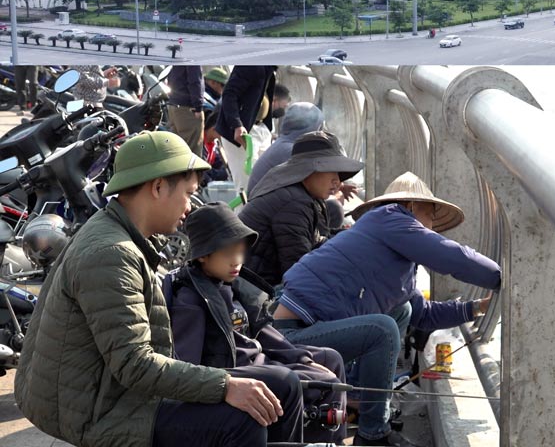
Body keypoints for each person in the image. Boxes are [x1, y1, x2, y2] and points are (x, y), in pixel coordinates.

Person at [14, 131, 292, 447]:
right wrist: (225, 385)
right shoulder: (112, 254)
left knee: (282, 385)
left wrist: (226, 384)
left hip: (106, 389)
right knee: (241, 422)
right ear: (158, 187)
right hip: (96, 410)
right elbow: (135, 365)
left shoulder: (122, 232)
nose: (190, 207)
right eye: (188, 194)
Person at [273, 172, 501, 446]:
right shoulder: (391, 218)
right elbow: (452, 257)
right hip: (287, 337)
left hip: (310, 332)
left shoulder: (392, 255)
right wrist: (502, 278)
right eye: (430, 215)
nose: (431, 227)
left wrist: (476, 308)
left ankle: (361, 396)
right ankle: (373, 433)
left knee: (401, 311)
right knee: (382, 330)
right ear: (411, 206)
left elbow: (422, 314)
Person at [164, 203, 347, 444]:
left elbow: (264, 334)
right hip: (237, 373)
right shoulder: (191, 299)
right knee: (323, 382)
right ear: (203, 255)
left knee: (331, 359)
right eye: (228, 253)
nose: (237, 261)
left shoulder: (231, 286)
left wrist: (303, 360)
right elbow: (188, 364)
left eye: (240, 252)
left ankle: (328, 440)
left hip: (261, 361)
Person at [237, 131, 362, 286]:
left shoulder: (298, 192)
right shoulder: (293, 202)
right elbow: (299, 270)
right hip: (259, 289)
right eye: (331, 170)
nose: (337, 181)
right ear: (308, 170)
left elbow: (316, 240)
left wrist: (358, 236)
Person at [215, 65, 277, 191]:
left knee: (264, 183)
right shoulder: (251, 65)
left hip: (261, 129)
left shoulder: (270, 69)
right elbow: (229, 94)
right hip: (243, 133)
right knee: (247, 186)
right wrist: (237, 125)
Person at [247, 101, 325, 196]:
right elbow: (316, 188)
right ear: (312, 128)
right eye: (319, 128)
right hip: (266, 208)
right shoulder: (291, 151)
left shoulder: (284, 144)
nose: (321, 133)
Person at [167, 65, 206, 158]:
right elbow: (195, 80)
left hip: (174, 107)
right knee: (192, 155)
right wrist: (198, 107)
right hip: (188, 109)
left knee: (177, 153)